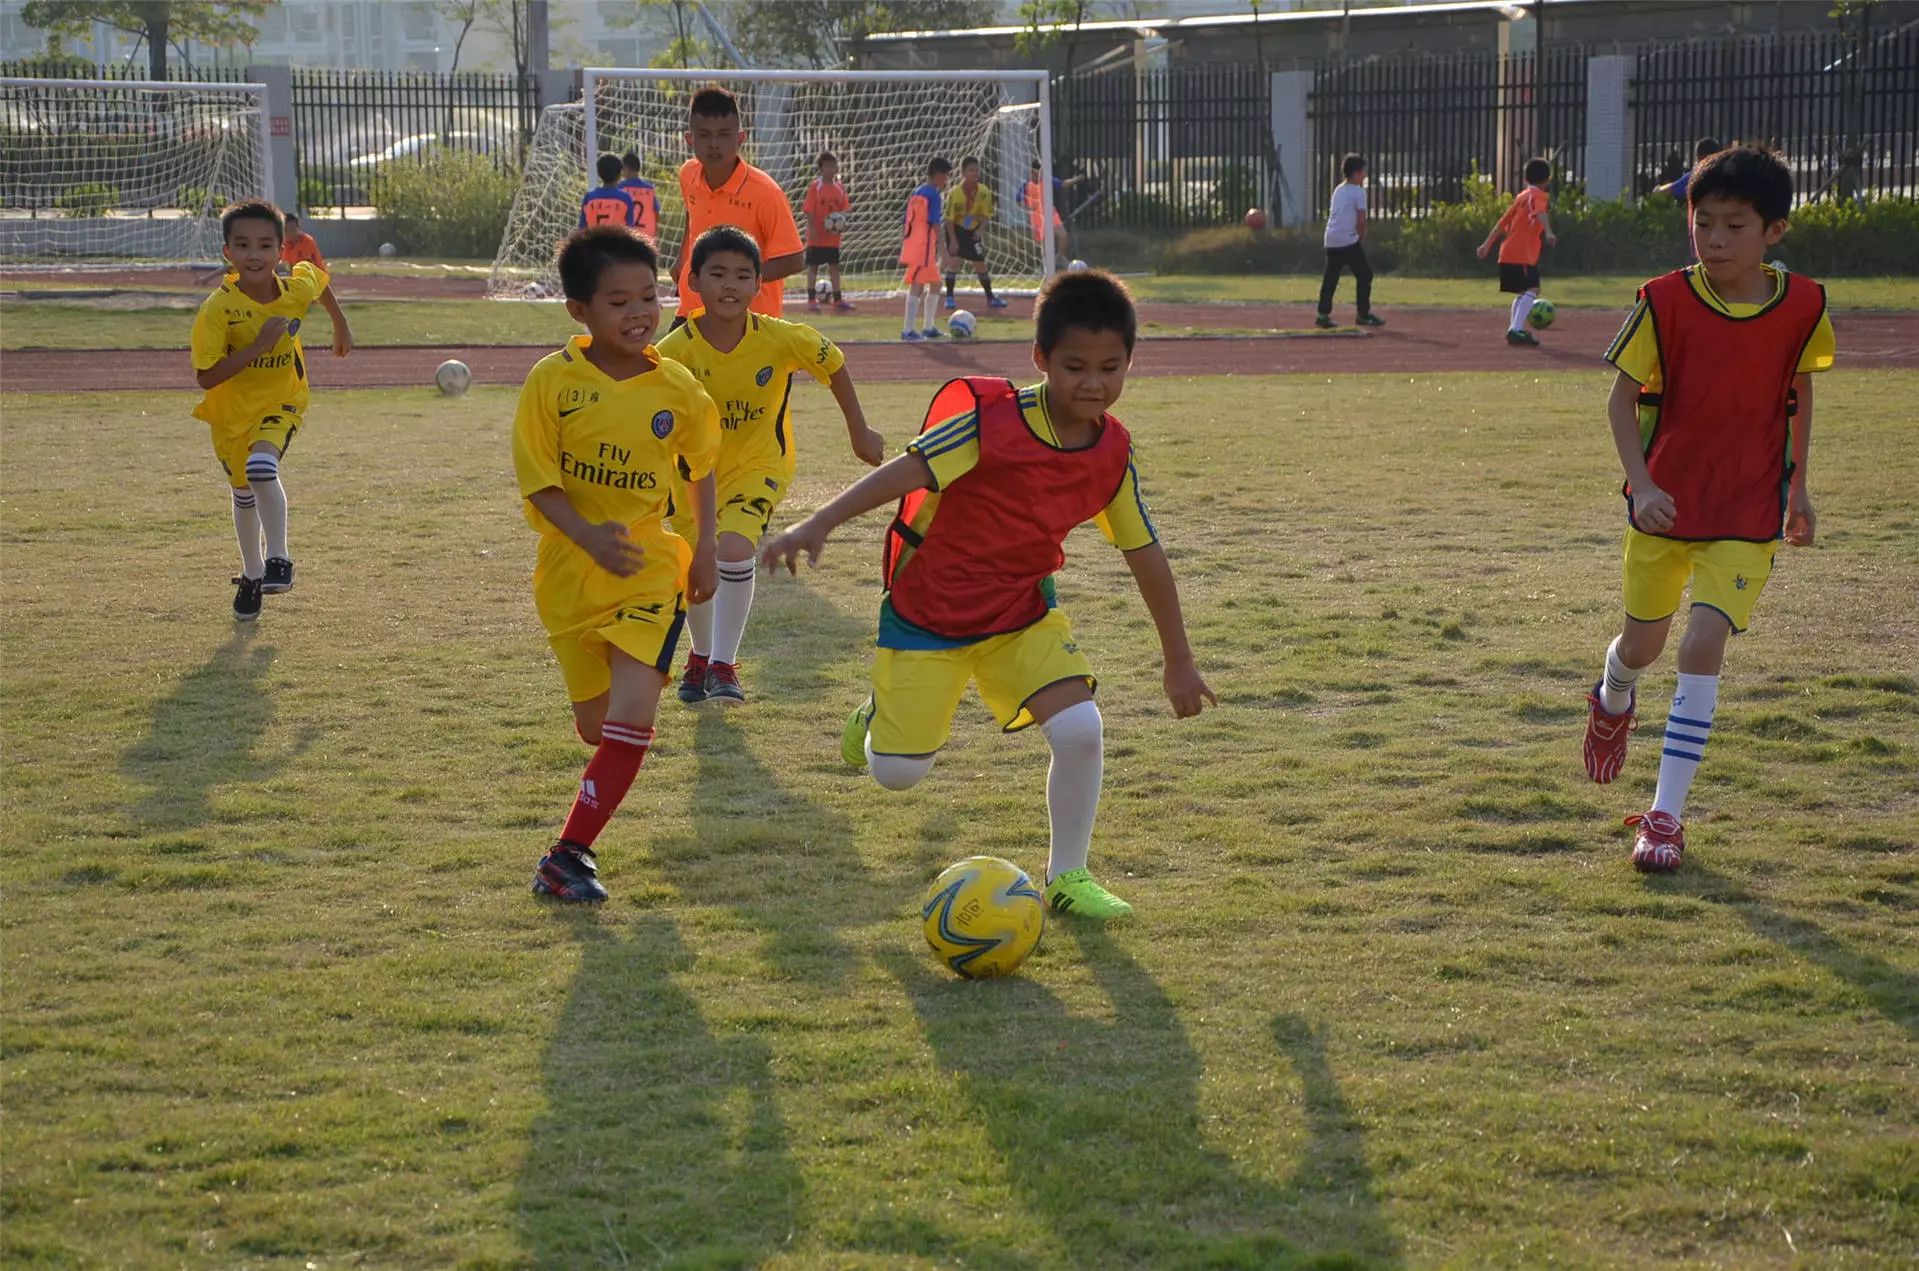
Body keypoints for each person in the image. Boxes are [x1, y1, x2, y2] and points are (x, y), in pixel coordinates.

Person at [760, 269, 1216, 920]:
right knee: (895, 773)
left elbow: (1143, 553)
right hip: (928, 615)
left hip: (1019, 615)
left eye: (1111, 367)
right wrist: (816, 523)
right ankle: (876, 715)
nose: (1093, 383)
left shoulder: (1112, 451)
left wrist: (1177, 658)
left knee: (1081, 728)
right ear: (1040, 359)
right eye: (1075, 365)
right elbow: (906, 470)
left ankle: (1067, 876)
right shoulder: (989, 422)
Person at [1583, 146, 1834, 873]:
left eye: (1733, 224)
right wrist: (1644, 485)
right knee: (1643, 647)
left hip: (1747, 508)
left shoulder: (1804, 306)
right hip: (1663, 507)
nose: (1715, 238)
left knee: (1701, 644)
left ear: (1774, 231)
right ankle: (1611, 696)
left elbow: (1798, 393)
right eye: (1703, 222)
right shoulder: (1662, 299)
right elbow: (1620, 400)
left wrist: (1798, 487)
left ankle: (1663, 818)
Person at [511, 225, 721, 903]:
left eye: (649, 296)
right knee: (598, 729)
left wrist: (706, 547)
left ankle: (567, 854)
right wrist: (585, 536)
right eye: (617, 301)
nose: (638, 313)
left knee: (635, 714)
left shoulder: (678, 388)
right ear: (579, 310)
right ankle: (583, 825)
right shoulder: (552, 381)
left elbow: (701, 466)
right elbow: (538, 481)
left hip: (648, 565)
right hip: (568, 577)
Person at [658, 225, 886, 706]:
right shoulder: (673, 352)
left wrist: (859, 431)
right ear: (692, 281)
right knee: (695, 565)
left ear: (759, 285)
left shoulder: (781, 339)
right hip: (692, 476)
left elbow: (835, 363)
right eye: (717, 273)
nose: (730, 285)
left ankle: (723, 665)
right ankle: (700, 657)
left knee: (734, 548)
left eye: (743, 275)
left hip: (760, 466)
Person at [190, 200, 350, 620]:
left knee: (263, 469)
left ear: (282, 251)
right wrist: (258, 346)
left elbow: (317, 281)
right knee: (243, 492)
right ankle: (252, 572)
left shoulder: (293, 287)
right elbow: (206, 377)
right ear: (228, 253)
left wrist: (340, 324)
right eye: (242, 245)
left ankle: (279, 558)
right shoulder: (217, 309)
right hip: (231, 413)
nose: (254, 254)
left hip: (283, 400)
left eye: (264, 245)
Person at [675, 85, 804, 325]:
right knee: (662, 362)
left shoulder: (766, 193)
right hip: (692, 312)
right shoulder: (688, 174)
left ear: (740, 138)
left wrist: (738, 281)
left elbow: (794, 259)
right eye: (704, 135)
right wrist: (681, 261)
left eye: (724, 134)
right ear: (689, 139)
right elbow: (690, 214)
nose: (714, 144)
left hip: (751, 321)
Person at [1477, 157, 1557, 347]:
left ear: (1525, 178)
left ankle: (1515, 329)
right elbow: (1540, 213)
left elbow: (1502, 223)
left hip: (1508, 252)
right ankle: (1516, 329)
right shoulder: (1539, 196)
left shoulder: (1521, 197)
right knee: (1533, 289)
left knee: (1523, 291)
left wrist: (1486, 245)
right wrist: (1549, 232)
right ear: (1547, 179)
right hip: (1522, 253)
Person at [1315, 154, 1384, 329]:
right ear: (1356, 173)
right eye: (1363, 171)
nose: (1365, 175)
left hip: (1331, 238)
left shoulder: (1339, 189)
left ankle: (1322, 314)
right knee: (1365, 274)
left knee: (1331, 276)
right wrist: (1360, 237)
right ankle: (1363, 314)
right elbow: (1361, 219)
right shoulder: (1358, 192)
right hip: (1347, 240)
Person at [279, 211, 354, 357]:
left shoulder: (306, 241)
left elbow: (306, 267)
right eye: (286, 230)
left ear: (298, 227)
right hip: (299, 280)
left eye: (293, 229)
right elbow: (286, 266)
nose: (290, 234)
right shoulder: (285, 245)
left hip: (316, 279)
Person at [943, 155, 1006, 311]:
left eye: (977, 170)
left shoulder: (984, 191)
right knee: (954, 263)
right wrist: (953, 240)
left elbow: (986, 215)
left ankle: (990, 297)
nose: (975, 173)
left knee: (980, 264)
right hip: (956, 230)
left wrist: (979, 231)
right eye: (971, 170)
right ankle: (949, 297)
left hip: (973, 231)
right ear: (963, 172)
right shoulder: (955, 193)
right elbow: (949, 220)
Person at [899, 156, 952, 342]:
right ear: (937, 174)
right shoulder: (933, 194)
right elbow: (935, 224)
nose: (946, 180)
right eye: (945, 175)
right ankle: (907, 330)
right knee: (918, 285)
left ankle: (928, 327)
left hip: (917, 245)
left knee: (936, 284)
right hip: (923, 247)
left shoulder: (918, 191)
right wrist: (943, 250)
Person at [801, 151, 854, 313]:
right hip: (816, 237)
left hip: (833, 238)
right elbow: (809, 210)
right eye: (827, 166)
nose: (830, 169)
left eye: (833, 166)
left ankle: (837, 300)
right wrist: (813, 230)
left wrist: (841, 222)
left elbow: (844, 209)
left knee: (834, 267)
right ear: (821, 169)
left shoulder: (839, 187)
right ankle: (811, 299)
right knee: (813, 268)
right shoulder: (815, 187)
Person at [1019, 159, 1072, 263]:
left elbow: (1063, 184)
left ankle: (1059, 257)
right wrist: (1028, 208)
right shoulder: (1026, 186)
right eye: (1036, 172)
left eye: (1041, 172)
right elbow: (1019, 200)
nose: (1039, 174)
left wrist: (1077, 179)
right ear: (1031, 172)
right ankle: (1046, 265)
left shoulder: (1048, 180)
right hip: (1037, 217)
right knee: (1044, 244)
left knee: (1063, 236)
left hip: (1051, 214)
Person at [1651, 136, 1723, 203]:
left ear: (1699, 157)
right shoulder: (1727, 176)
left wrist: (1658, 189)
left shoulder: (1697, 176)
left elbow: (1670, 190)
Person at [579, 152, 637, 228]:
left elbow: (582, 228)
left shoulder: (589, 198)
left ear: (599, 174)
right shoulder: (625, 198)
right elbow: (630, 229)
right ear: (619, 175)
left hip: (593, 240)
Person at [618, 150, 661, 241]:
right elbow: (656, 212)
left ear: (626, 168)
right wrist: (656, 232)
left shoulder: (620, 188)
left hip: (628, 236)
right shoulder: (649, 189)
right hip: (647, 236)